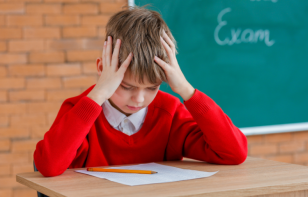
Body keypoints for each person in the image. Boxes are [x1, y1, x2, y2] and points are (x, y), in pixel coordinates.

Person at [34, 6, 248, 177]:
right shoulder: (79, 110)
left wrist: (186, 90)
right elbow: (48, 166)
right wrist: (98, 95)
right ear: (102, 69)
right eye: (127, 87)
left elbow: (234, 152)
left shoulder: (170, 112)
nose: (139, 99)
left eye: (152, 87)